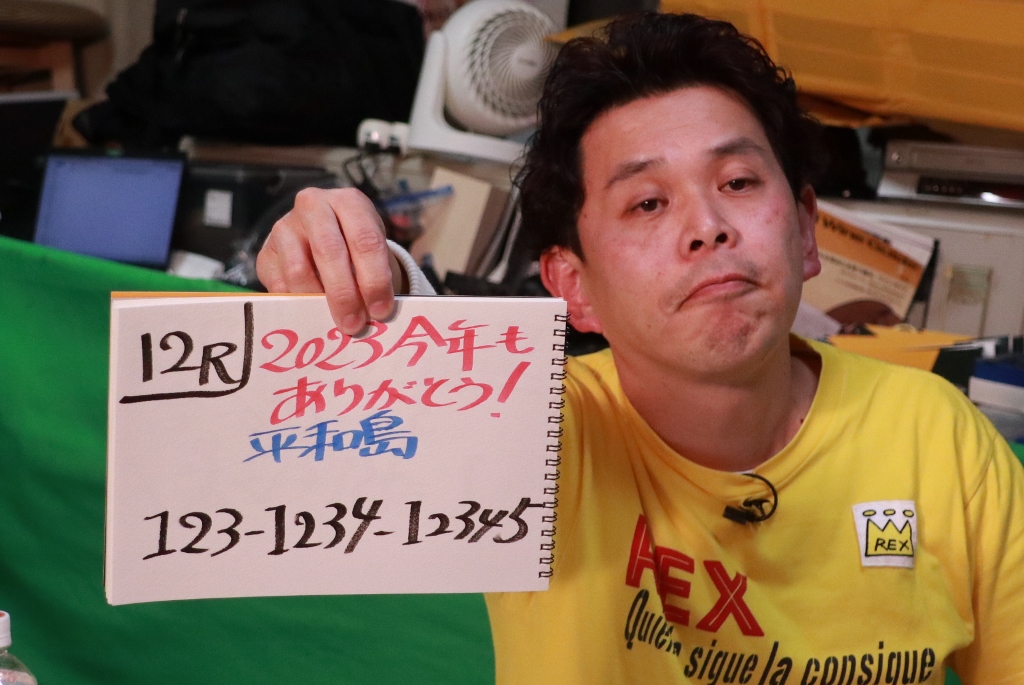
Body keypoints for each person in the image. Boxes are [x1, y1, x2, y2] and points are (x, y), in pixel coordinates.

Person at [256, 12, 1024, 684]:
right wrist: (356, 266)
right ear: (573, 285)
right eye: (648, 202)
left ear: (804, 230)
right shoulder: (535, 435)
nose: (707, 227)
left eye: (739, 182)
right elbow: (411, 387)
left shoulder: (941, 439)